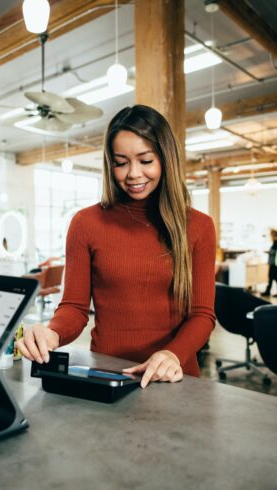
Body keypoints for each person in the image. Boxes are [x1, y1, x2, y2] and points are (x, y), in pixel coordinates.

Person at [16, 105, 216, 387]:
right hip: (107, 375)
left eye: (146, 160)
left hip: (173, 378)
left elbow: (202, 315)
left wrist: (173, 354)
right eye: (121, 162)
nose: (133, 174)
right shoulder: (86, 223)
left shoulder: (199, 227)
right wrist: (52, 333)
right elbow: (74, 308)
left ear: (166, 159)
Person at [261, 228, 277, 297]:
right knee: (271, 277)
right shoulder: (274, 242)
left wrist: (268, 252)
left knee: (272, 277)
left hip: (274, 264)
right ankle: (267, 291)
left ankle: (267, 291)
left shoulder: (276, 243)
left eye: (271, 234)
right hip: (272, 263)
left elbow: (274, 252)